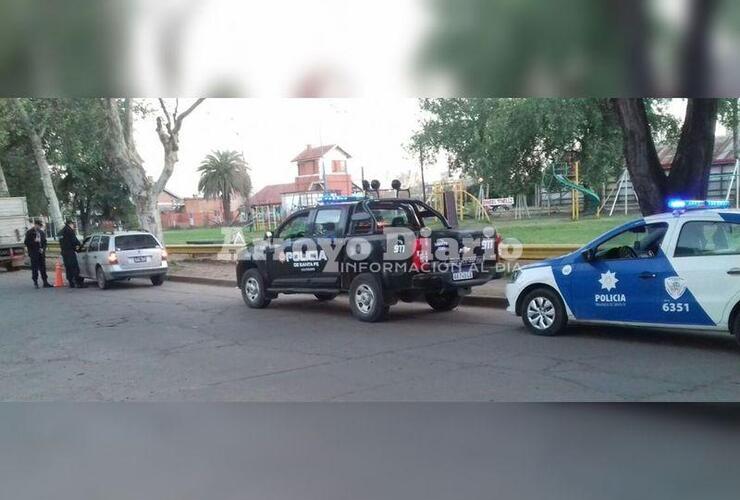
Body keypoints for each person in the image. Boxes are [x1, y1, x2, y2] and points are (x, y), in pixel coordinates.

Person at [24, 219, 53, 289]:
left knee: (43, 267)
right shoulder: (30, 233)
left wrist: (43, 248)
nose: (39, 227)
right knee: (35, 268)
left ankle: (45, 281)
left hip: (41, 252)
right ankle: (35, 281)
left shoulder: (41, 232)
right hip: (34, 252)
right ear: (35, 224)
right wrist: (34, 242)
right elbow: (26, 242)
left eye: (40, 226)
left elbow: (45, 242)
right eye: (38, 225)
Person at [58, 219, 85, 288]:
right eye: (73, 224)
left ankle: (71, 282)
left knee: (68, 267)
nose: (73, 226)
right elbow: (74, 240)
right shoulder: (69, 231)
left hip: (64, 252)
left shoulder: (61, 232)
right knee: (74, 267)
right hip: (70, 252)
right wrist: (80, 245)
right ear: (70, 224)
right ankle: (78, 283)